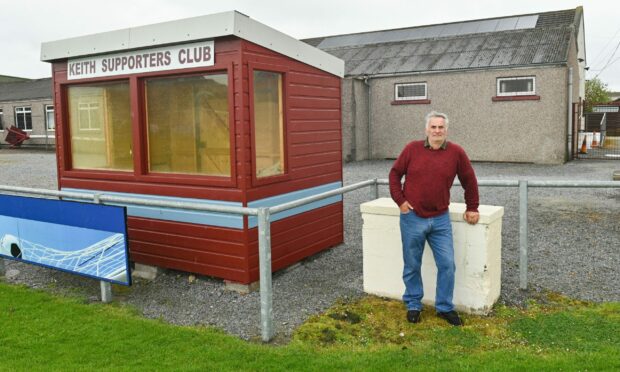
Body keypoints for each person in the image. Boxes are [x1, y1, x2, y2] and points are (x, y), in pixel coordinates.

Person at [388, 111, 479, 326]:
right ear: (426, 129)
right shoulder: (412, 149)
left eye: (441, 127)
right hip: (412, 218)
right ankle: (413, 304)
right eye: (433, 127)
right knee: (412, 264)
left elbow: (469, 179)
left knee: (447, 264)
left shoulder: (456, 152)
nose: (437, 131)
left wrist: (472, 207)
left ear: (446, 130)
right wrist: (400, 201)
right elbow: (394, 174)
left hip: (440, 220)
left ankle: (444, 307)